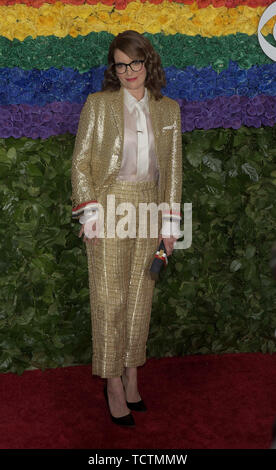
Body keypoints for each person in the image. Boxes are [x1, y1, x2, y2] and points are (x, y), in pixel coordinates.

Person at [71, 30, 182, 427]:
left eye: (136, 63)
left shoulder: (168, 109)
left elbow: (171, 173)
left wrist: (170, 225)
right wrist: (90, 213)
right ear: (114, 69)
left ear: (147, 63)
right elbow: (81, 163)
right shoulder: (98, 105)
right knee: (110, 298)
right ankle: (112, 381)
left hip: (151, 205)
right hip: (110, 205)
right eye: (121, 64)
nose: (130, 71)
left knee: (141, 297)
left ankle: (133, 374)